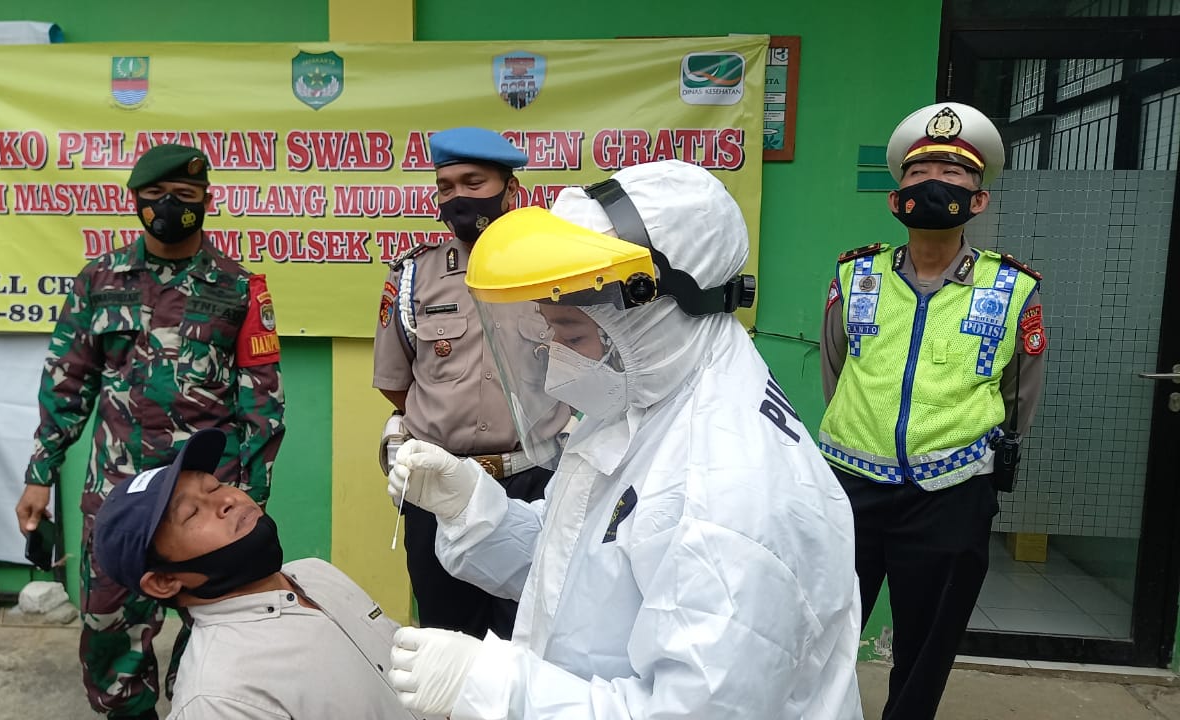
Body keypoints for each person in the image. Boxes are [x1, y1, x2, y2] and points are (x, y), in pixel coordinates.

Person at [383, 160, 864, 718]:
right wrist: (474, 509)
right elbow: (582, 562)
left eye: (571, 334)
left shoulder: (728, 498)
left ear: (653, 313)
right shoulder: (648, 394)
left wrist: (498, 690)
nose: (554, 360)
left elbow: (691, 711)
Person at [14, 143, 287, 719]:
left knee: (218, 625)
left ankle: (201, 708)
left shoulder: (237, 287)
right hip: (116, 495)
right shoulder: (99, 280)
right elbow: (67, 383)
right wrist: (40, 474)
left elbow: (262, 403)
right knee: (108, 627)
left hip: (204, 499)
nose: (168, 206)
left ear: (207, 201)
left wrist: (250, 497)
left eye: (184, 196)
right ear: (135, 201)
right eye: (155, 196)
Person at [818, 102, 1046, 720]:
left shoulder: (1012, 288)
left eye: (952, 173)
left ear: (978, 199)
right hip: (849, 487)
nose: (934, 184)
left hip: (951, 494)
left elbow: (1019, 398)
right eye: (918, 173)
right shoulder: (856, 275)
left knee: (925, 646)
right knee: (822, 632)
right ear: (897, 199)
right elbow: (837, 370)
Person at [93, 428, 433, 720]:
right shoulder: (219, 699)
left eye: (214, 486)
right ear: (164, 581)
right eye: (192, 512)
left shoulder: (315, 572)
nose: (226, 500)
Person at [373, 127, 564, 640]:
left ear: (511, 190)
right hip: (438, 486)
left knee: (528, 637)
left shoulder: (552, 271)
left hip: (532, 482)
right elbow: (398, 383)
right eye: (446, 186)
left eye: (473, 182)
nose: (458, 196)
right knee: (446, 637)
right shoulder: (414, 276)